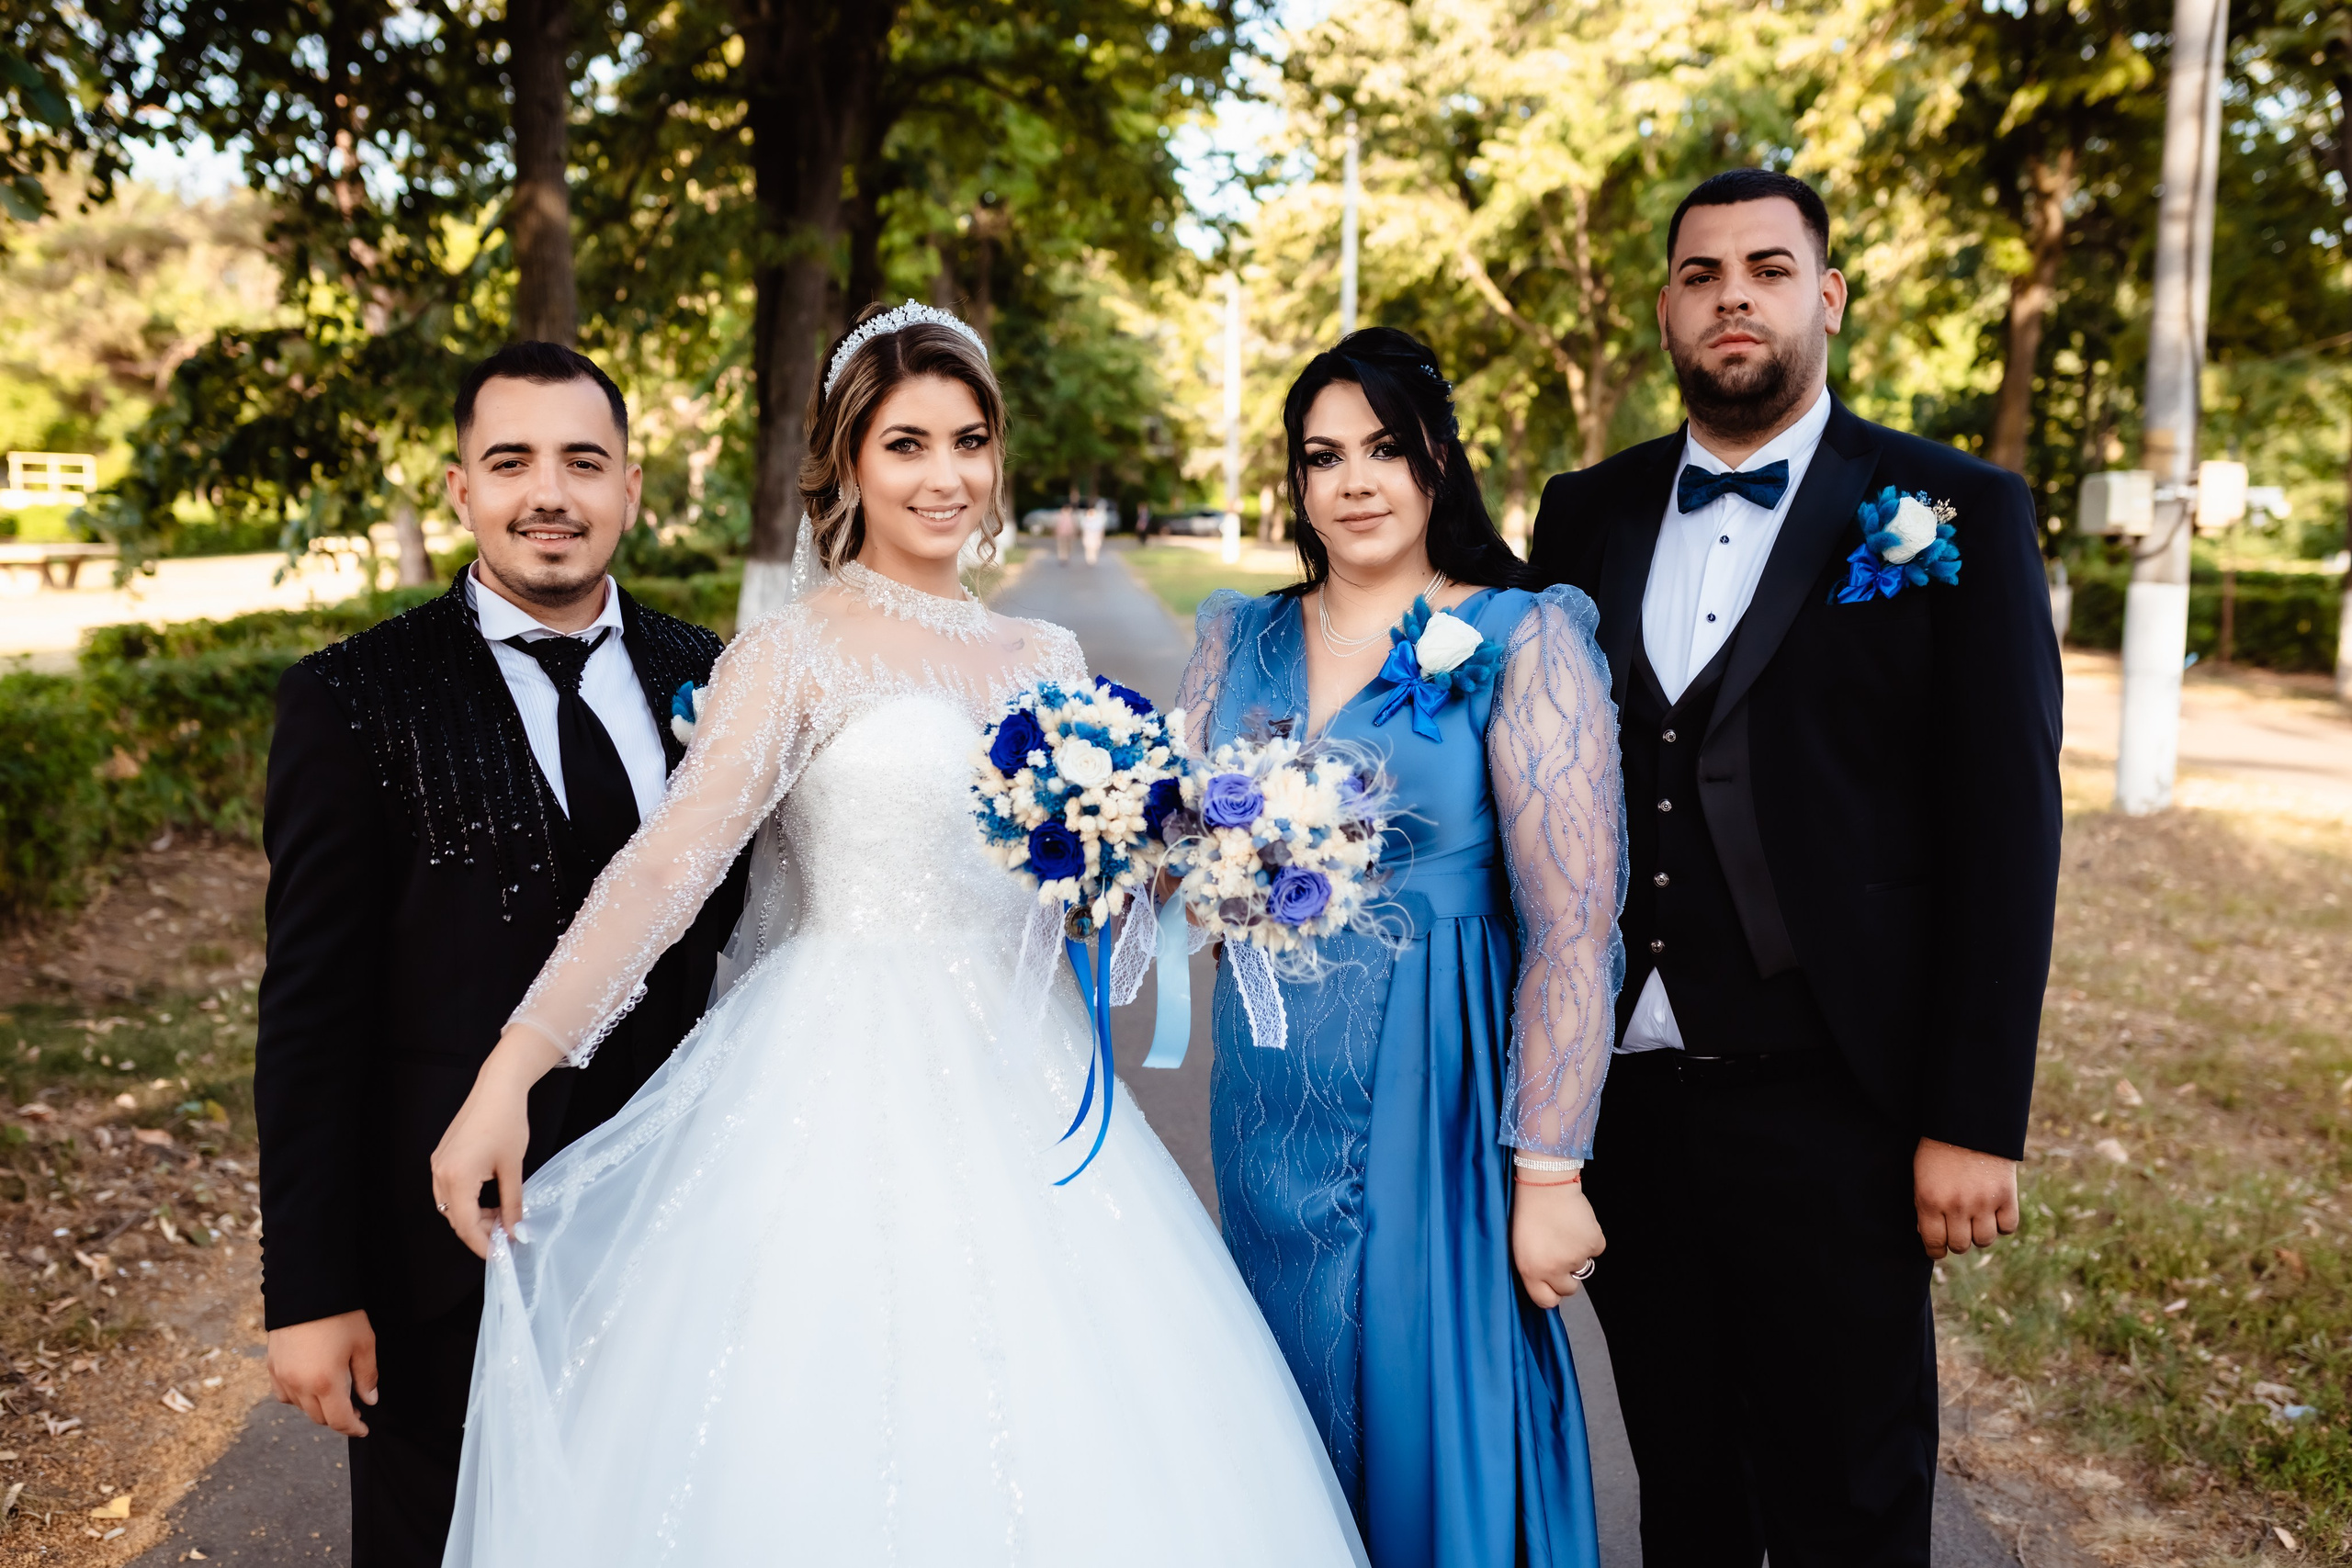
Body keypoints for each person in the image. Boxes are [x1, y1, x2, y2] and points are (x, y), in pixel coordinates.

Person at [426, 301, 1367, 1566]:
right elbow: (665, 869)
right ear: (849, 464)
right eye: (906, 443)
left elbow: (1073, 891)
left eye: (967, 441)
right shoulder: (793, 650)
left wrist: (1188, 856)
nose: (944, 476)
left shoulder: (1046, 650)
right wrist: (510, 1069)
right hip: (831, 1071)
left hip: (1027, 1079)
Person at [1525, 168, 2062, 1564]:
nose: (1734, 297)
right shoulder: (1584, 512)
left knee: (1852, 1496)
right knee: (1686, 1484)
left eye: (1768, 269)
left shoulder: (1955, 511)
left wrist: (1976, 1116)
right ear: (1665, 308)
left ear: (1825, 296)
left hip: (1846, 1104)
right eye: (1702, 275)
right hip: (1636, 1107)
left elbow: (2006, 833)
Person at [254, 342, 746, 1568]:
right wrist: (309, 1286)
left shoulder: (719, 678)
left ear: (632, 487)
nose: (550, 493)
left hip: (677, 1229)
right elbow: (310, 1010)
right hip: (449, 1253)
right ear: (460, 488)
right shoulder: (353, 698)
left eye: (584, 461)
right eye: (511, 460)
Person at [1175, 326, 1626, 1567]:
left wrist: (1549, 1172)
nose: (1355, 480)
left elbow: (1573, 927)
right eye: (1324, 456)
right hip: (1269, 1085)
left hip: (1439, 1084)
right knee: (1279, 1386)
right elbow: (1180, 847)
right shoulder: (1239, 634)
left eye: (1384, 446)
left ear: (1438, 457)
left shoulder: (1521, 638)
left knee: (1420, 1402)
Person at [1080, 495, 1108, 564]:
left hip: (1094, 533)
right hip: (1090, 533)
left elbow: (1100, 526)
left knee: (1093, 546)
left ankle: (1092, 558)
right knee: (1089, 546)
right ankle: (1090, 558)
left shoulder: (1096, 517)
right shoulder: (1088, 517)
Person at [1055, 490, 1078, 564]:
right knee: (1062, 545)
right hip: (1062, 533)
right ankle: (1063, 556)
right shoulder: (1061, 516)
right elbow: (1057, 525)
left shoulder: (1070, 517)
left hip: (1068, 533)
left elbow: (1073, 526)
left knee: (1067, 545)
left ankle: (1065, 555)